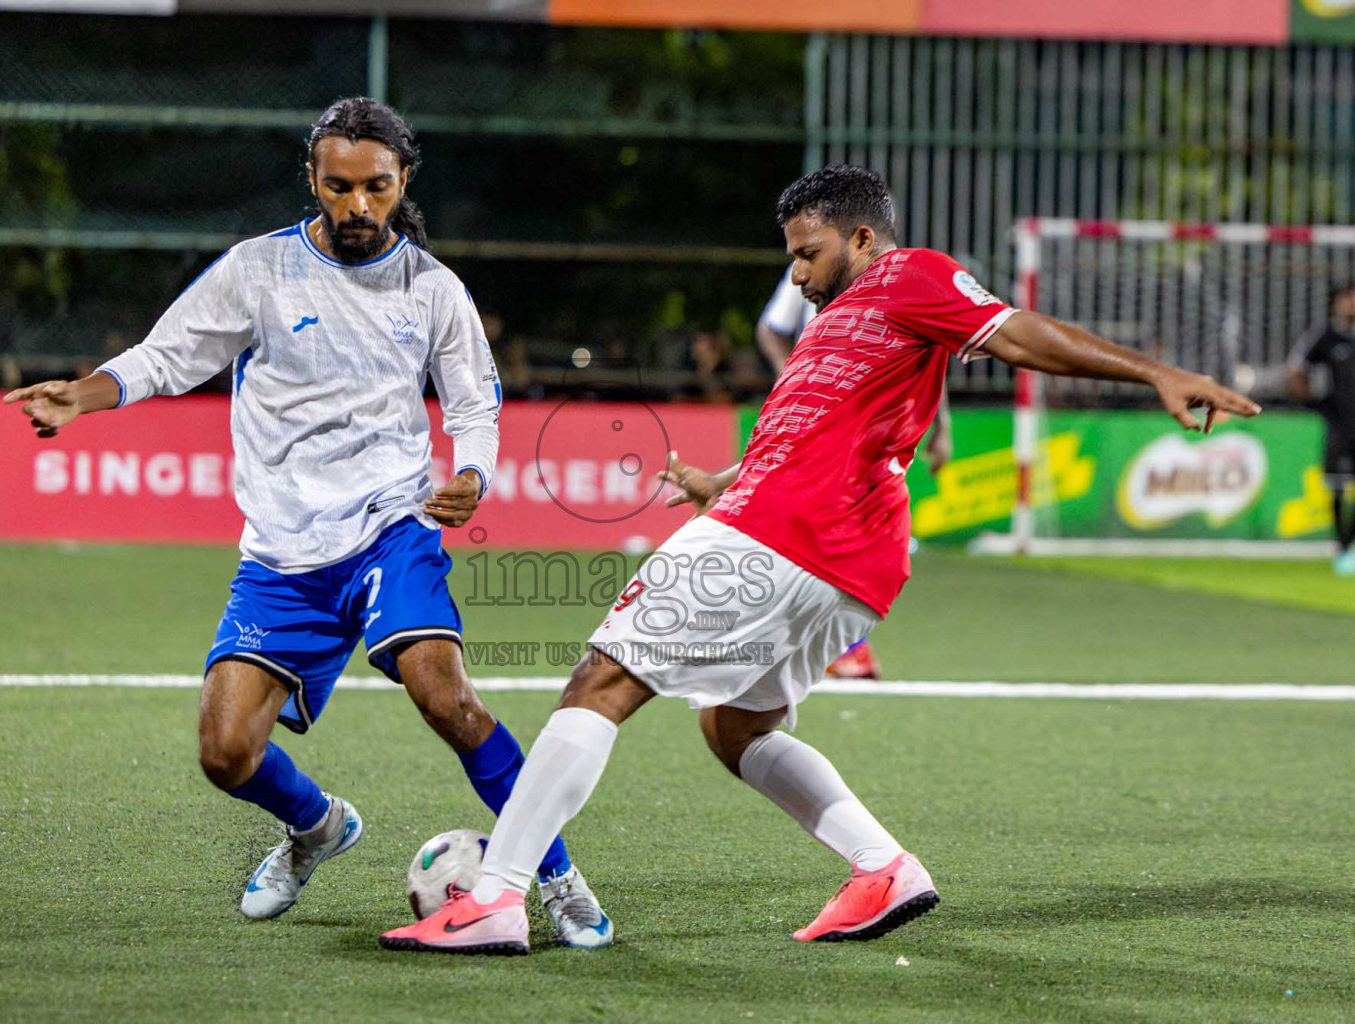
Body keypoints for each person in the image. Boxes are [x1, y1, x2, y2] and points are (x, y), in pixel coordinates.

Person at [380, 165, 1259, 955]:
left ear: (864, 239)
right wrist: (719, 482)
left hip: (785, 538)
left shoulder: (911, 276)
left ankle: (497, 897)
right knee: (736, 726)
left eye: (809, 254)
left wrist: (1154, 375)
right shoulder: (838, 328)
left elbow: (1016, 331)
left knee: (600, 685)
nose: (796, 275)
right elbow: (802, 442)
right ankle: (882, 868)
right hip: (841, 559)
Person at [3, 97, 610, 946]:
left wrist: (472, 473)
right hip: (283, 553)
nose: (359, 206)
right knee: (225, 753)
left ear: (403, 181)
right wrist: (82, 395)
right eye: (339, 186)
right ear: (313, 180)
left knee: (446, 697)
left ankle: (554, 873)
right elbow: (166, 357)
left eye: (378, 187)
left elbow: (476, 404)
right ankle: (318, 826)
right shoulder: (260, 271)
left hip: (389, 527)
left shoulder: (433, 289)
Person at [757, 266, 955, 681]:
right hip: (821, 412)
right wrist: (792, 378)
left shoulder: (905, 280)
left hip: (877, 417)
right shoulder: (817, 268)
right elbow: (770, 329)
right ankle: (835, 644)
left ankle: (839, 644)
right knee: (819, 525)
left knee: (848, 528)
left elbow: (927, 353)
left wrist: (943, 426)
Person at [1289, 284, 1355, 576]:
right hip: (1337, 427)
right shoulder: (1326, 337)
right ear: (1338, 305)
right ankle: (1342, 548)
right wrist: (1313, 401)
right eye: (1349, 299)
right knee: (1338, 486)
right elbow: (1295, 369)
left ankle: (1350, 546)